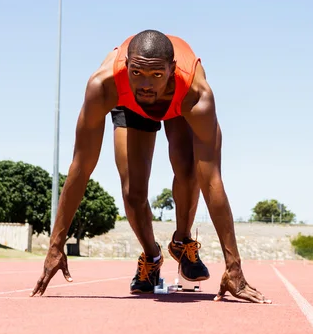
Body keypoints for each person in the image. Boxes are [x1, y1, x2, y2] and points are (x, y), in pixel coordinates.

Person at [31, 30, 271, 303]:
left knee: (190, 170)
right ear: (127, 66)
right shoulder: (104, 85)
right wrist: (55, 246)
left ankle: (182, 242)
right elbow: (81, 167)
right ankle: (151, 256)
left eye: (156, 74)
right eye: (137, 73)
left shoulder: (196, 92)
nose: (146, 83)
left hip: (177, 102)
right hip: (128, 103)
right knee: (132, 192)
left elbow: (212, 180)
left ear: (171, 70)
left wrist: (234, 267)